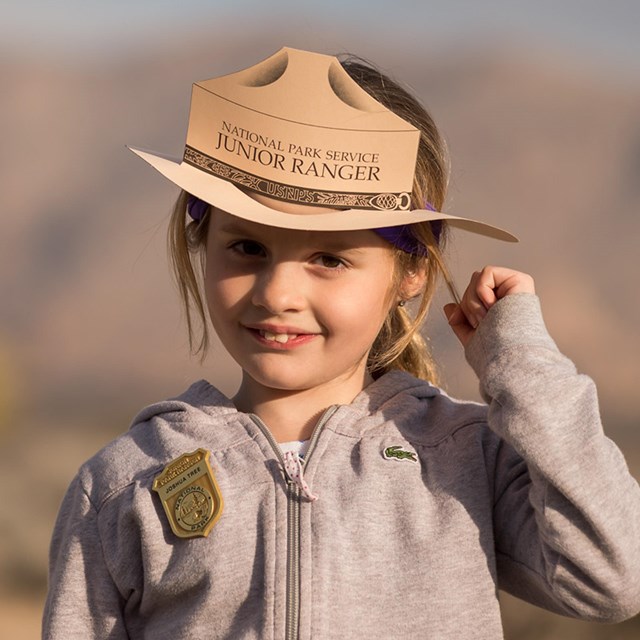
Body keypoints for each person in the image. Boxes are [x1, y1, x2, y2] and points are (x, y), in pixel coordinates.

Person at [42, 47, 640, 639]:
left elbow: (615, 577)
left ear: (413, 274)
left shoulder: (466, 459)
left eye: (329, 258)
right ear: (201, 243)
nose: (277, 292)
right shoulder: (127, 482)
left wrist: (523, 364)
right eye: (248, 247)